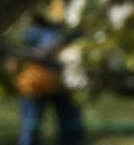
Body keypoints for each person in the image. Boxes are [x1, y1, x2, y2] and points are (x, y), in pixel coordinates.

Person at [14, 13, 84, 145]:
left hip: (63, 80)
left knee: (69, 123)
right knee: (31, 124)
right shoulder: (32, 29)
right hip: (37, 80)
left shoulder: (69, 24)